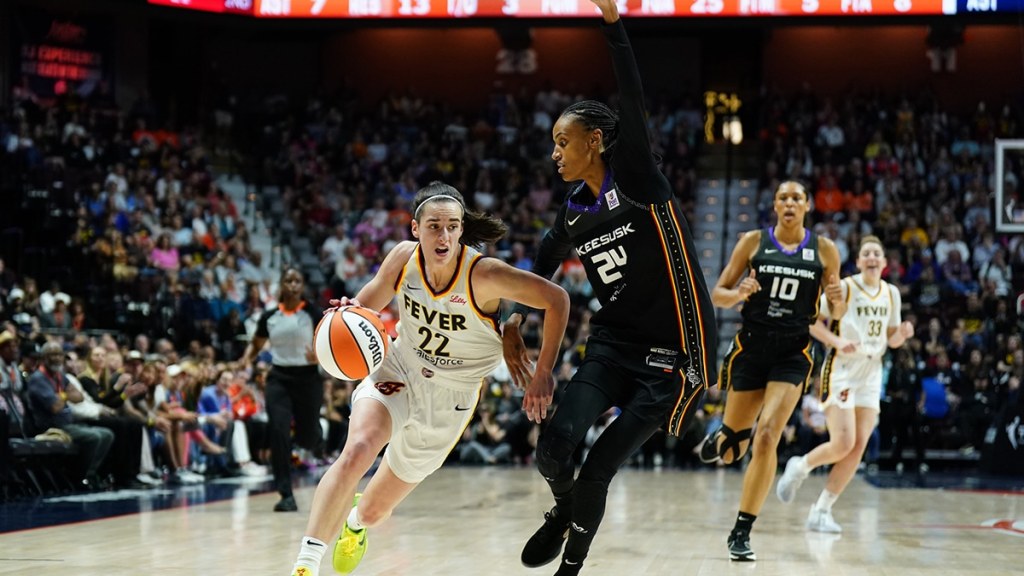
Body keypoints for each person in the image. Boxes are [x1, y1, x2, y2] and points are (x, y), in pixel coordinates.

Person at [502, 3, 718, 574]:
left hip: (670, 357)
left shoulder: (639, 178)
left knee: (599, 465)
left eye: (561, 142)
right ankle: (563, 508)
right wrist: (511, 317)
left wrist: (612, 20)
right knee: (553, 445)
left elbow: (632, 97)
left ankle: (571, 567)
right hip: (612, 345)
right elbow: (540, 265)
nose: (553, 154)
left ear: (594, 142)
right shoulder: (571, 213)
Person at [288, 182, 569, 576]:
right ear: (415, 229)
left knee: (372, 509)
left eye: (453, 226)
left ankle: (355, 525)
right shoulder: (403, 259)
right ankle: (306, 563)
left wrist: (543, 372)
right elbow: (363, 306)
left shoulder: (484, 274)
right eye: (434, 226)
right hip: (400, 367)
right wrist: (343, 316)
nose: (445, 235)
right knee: (358, 450)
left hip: (450, 397)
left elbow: (557, 299)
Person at [699, 180, 845, 561]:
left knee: (767, 436)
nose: (790, 203)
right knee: (733, 451)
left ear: (807, 206)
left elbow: (837, 314)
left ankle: (742, 530)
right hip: (751, 348)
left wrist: (839, 304)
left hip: (792, 353)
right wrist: (740, 294)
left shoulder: (826, 250)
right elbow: (718, 293)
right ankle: (722, 438)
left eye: (797, 197)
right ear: (775, 206)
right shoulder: (752, 242)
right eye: (783, 197)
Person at [775, 235, 914, 531]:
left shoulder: (891, 294)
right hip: (842, 369)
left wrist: (899, 338)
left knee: (858, 446)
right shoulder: (847, 287)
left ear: (885, 263)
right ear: (860, 261)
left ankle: (821, 511)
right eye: (867, 254)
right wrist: (836, 340)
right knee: (843, 442)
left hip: (872, 371)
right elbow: (809, 319)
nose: (873, 258)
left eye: (878, 253)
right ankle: (800, 466)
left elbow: (890, 338)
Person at [241, 267, 323, 512]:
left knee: (308, 436)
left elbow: (329, 343)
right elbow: (255, 346)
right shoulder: (270, 317)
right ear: (282, 285)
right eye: (288, 280)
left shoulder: (313, 313)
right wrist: (244, 360)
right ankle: (286, 494)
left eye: (297, 280)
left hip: (308, 378)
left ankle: (311, 439)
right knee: (278, 430)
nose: (292, 285)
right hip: (279, 378)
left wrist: (319, 357)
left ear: (302, 286)